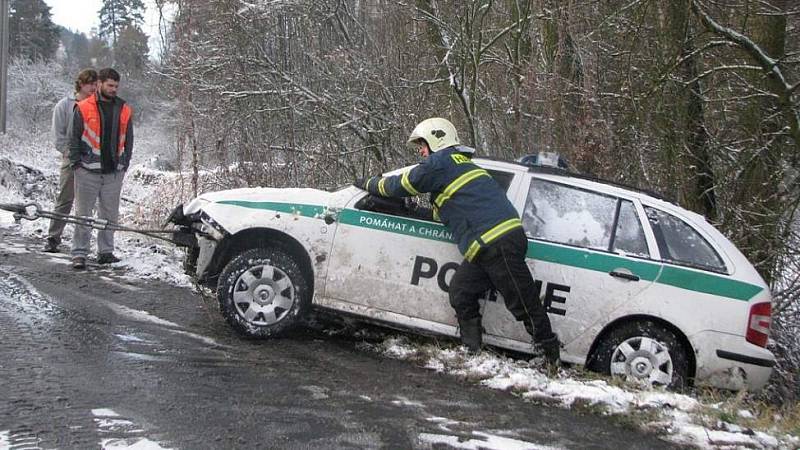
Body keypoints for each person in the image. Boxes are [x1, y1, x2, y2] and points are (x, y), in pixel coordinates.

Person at [354, 118, 560, 364]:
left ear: (436, 140)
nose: (420, 151)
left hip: (498, 241)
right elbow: (447, 214)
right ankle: (472, 352)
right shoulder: (457, 166)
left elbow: (401, 184)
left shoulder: (440, 162)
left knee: (522, 300)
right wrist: (412, 211)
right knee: (461, 291)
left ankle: (549, 355)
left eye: (422, 144)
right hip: (487, 246)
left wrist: (368, 183)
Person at [68, 68, 134, 270]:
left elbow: (129, 140)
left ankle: (106, 252)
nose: (113, 89)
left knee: (109, 215)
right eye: (110, 85)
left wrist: (125, 163)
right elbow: (73, 138)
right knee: (83, 214)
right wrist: (76, 164)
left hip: (113, 172)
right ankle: (79, 254)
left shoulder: (124, 109)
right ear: (100, 84)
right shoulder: (83, 107)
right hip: (87, 170)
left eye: (116, 86)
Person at [43, 68, 98, 253]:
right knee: (65, 198)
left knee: (87, 203)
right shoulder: (65, 105)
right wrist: (68, 153)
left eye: (95, 84)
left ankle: (83, 246)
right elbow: (58, 135)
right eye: (90, 83)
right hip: (71, 157)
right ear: (81, 84)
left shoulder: (97, 105)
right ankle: (53, 237)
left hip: (93, 158)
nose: (93, 87)